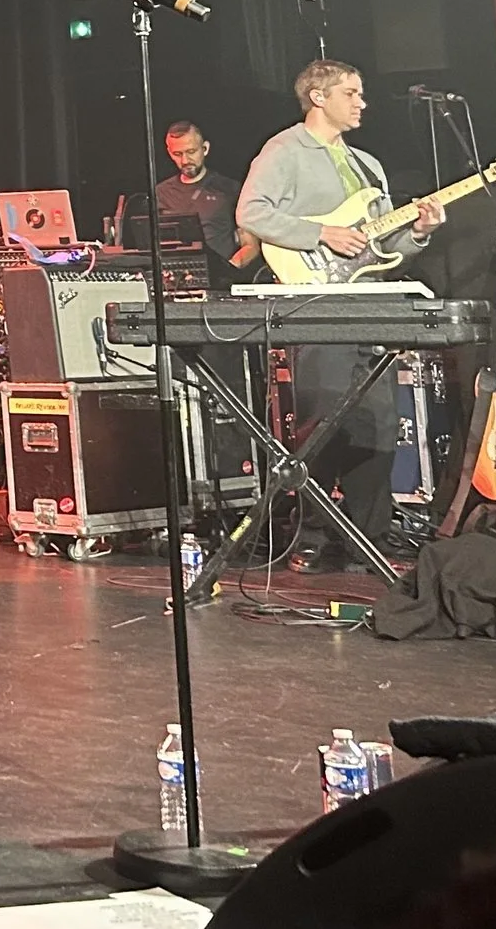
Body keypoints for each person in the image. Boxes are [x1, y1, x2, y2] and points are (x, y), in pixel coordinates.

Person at [237, 58, 445, 573]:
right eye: (351, 93)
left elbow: (385, 247)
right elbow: (252, 213)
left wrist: (418, 231)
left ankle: (367, 538)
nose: (362, 102)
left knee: (378, 423)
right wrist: (321, 234)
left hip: (364, 301)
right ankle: (308, 532)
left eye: (361, 93)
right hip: (314, 302)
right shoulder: (285, 149)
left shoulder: (367, 164)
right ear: (318, 96)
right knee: (324, 420)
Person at [153, 119, 255, 268]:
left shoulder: (229, 189)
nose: (185, 160)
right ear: (169, 152)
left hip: (220, 277)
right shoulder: (160, 193)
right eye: (177, 154)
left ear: (205, 148)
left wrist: (229, 269)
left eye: (191, 152)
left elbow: (251, 245)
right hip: (173, 277)